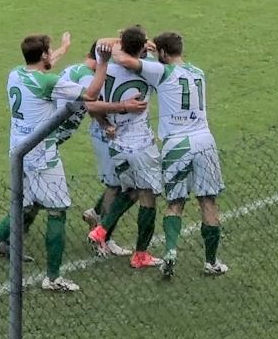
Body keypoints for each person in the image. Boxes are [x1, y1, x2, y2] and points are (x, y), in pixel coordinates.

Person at [0, 32, 118, 293]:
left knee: (24, 204)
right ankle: (53, 277)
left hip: (19, 150)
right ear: (42, 56)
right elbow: (92, 93)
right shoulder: (48, 82)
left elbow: (45, 65)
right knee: (57, 211)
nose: (52, 55)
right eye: (49, 51)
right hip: (42, 155)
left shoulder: (15, 73)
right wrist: (103, 62)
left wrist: (63, 48)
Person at [87, 27, 169, 270]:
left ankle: (101, 229)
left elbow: (92, 106)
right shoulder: (152, 71)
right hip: (140, 144)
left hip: (116, 143)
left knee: (131, 190)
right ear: (143, 48)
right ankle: (140, 254)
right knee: (148, 197)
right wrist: (146, 45)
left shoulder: (106, 70)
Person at [153, 32, 228, 279]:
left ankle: (171, 252)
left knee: (175, 203)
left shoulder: (161, 73)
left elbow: (128, 61)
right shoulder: (199, 72)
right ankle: (211, 261)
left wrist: (146, 48)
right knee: (208, 201)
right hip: (204, 140)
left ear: (162, 52)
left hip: (177, 144)